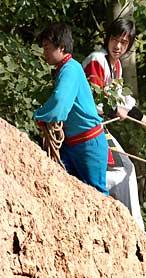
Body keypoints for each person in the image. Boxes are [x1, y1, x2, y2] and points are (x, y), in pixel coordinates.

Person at [82, 18, 146, 239]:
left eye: (124, 42)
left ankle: (133, 228)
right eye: (115, 40)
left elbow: (123, 100)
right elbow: (94, 96)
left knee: (125, 168)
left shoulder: (115, 66)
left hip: (98, 126)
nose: (118, 46)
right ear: (107, 38)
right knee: (121, 170)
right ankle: (131, 227)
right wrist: (115, 109)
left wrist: (145, 119)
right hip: (88, 126)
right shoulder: (97, 60)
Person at [35, 23, 108, 195]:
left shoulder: (70, 69)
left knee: (97, 196)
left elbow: (60, 103)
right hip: (73, 143)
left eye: (47, 47)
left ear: (61, 47)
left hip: (88, 144)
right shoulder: (65, 68)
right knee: (65, 186)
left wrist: (40, 115)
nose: (44, 52)